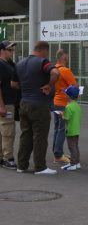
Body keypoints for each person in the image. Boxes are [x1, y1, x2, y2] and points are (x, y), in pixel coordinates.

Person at [14, 41, 60, 175]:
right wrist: (49, 86)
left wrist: (27, 88)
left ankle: (21, 165)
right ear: (44, 50)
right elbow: (56, 73)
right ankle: (40, 167)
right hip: (39, 104)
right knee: (40, 136)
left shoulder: (20, 63)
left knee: (25, 135)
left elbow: (13, 84)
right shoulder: (43, 62)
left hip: (24, 103)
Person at [52, 49, 77, 165]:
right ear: (64, 57)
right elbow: (75, 86)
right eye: (67, 55)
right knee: (62, 129)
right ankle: (58, 155)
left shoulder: (54, 69)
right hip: (63, 103)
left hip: (55, 101)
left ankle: (57, 152)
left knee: (57, 128)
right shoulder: (65, 71)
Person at [0, 41, 18, 169]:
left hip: (9, 102)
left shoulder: (9, 64)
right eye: (9, 49)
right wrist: (1, 105)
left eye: (13, 50)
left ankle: (2, 157)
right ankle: (8, 158)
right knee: (8, 131)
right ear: (2, 50)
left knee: (4, 131)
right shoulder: (1, 65)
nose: (12, 52)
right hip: (6, 103)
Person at [57, 85, 82, 171]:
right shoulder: (77, 106)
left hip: (70, 130)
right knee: (75, 146)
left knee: (72, 147)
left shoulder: (68, 107)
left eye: (66, 94)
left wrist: (61, 115)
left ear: (68, 96)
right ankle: (77, 162)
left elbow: (66, 119)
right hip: (77, 129)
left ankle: (73, 164)